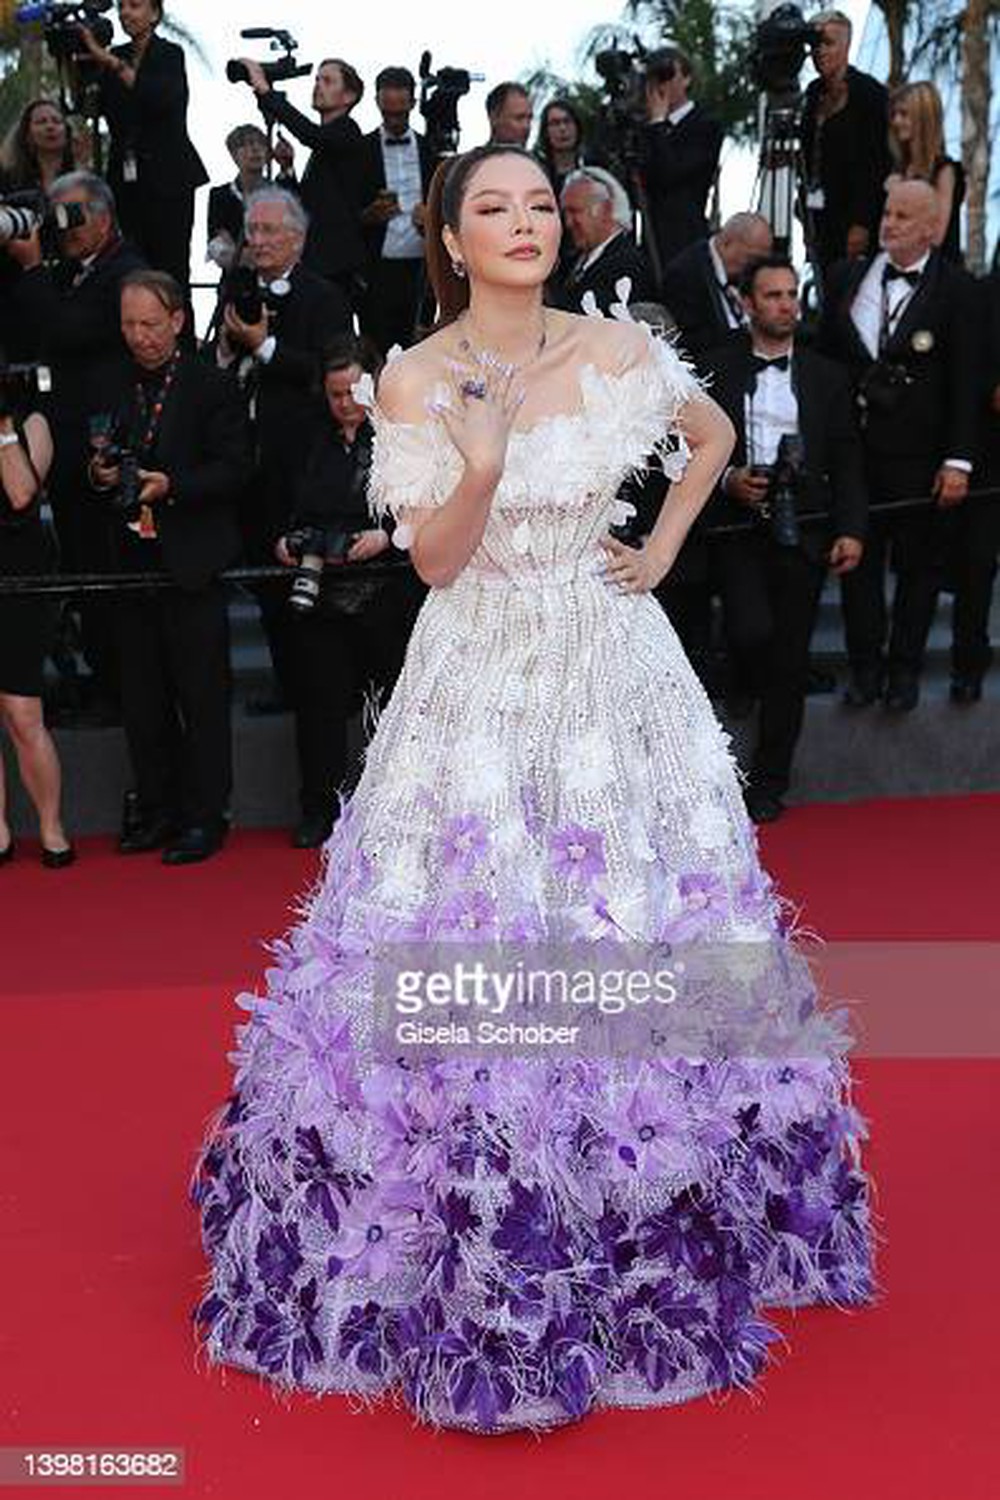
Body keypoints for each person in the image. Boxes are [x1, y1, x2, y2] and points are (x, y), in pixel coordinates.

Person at [194, 144, 875, 1433]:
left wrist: (664, 541)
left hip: (614, 668)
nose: (523, 223)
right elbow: (435, 564)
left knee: (638, 907)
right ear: (448, 237)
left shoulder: (616, 349)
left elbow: (714, 429)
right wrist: (488, 465)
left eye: (538, 207)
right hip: (478, 676)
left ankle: (658, 1194)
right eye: (490, 208)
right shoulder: (412, 374)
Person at [90, 270, 250, 863]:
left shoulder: (211, 386)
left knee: (202, 699)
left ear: (178, 321)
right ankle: (155, 810)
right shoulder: (113, 383)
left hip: (192, 563)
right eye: (129, 324)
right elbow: (98, 455)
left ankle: (206, 817)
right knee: (143, 700)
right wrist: (100, 474)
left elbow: (236, 469)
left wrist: (171, 485)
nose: (139, 337)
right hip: (130, 565)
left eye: (150, 325)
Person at [703, 257, 867, 822]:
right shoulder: (715, 370)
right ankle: (740, 673)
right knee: (751, 630)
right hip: (737, 527)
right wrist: (728, 480)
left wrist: (851, 528)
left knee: (789, 660)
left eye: (792, 294)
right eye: (772, 295)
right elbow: (686, 450)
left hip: (808, 527)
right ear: (747, 304)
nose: (785, 305)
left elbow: (847, 456)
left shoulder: (826, 376)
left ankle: (771, 781)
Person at [819, 177, 979, 711]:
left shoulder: (957, 290)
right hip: (855, 457)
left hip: (921, 459)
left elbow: (965, 382)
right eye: (888, 212)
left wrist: (958, 460)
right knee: (857, 569)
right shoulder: (845, 278)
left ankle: (904, 670)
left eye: (904, 216)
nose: (889, 223)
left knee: (919, 569)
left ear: (932, 228)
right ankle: (865, 669)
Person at [5, 171, 146, 722]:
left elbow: (66, 331)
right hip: (66, 453)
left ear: (106, 216)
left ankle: (117, 690)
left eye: (74, 214)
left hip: (101, 453)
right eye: (55, 214)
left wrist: (34, 267)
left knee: (106, 575)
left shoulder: (125, 271)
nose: (63, 227)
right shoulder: (74, 270)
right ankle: (101, 680)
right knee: (84, 573)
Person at [277, 334, 423, 848]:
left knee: (390, 706)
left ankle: (396, 809)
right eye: (335, 394)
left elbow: (429, 503)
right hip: (320, 591)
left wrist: (388, 536)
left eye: (354, 393)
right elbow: (283, 502)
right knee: (319, 707)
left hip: (387, 590)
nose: (345, 405)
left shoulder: (401, 435)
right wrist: (286, 540)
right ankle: (318, 809)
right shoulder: (306, 437)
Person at [217, 187, 351, 712]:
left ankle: (311, 692)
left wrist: (263, 346)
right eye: (253, 231)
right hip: (248, 462)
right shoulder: (237, 288)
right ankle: (282, 685)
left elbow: (330, 370)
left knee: (299, 582)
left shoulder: (324, 296)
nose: (259, 240)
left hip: (300, 464)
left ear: (298, 237)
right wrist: (230, 349)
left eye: (270, 230)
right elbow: (219, 363)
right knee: (262, 581)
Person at [78, 0, 207, 292]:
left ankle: (180, 335)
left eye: (135, 5)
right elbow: (90, 108)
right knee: (132, 267)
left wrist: (112, 63)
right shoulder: (113, 56)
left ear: (154, 14)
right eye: (121, 7)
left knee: (171, 268)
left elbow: (160, 97)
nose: (125, 13)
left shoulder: (170, 54)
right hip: (125, 180)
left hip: (169, 177)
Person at [0, 401, 74, 867]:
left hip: (18, 587)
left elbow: (22, 492)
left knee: (23, 712)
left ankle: (52, 828)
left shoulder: (33, 422)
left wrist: (4, 430)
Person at [240, 55, 367, 305]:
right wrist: (287, 170)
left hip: (337, 262)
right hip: (318, 258)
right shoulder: (325, 144)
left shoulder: (347, 131)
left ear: (349, 96)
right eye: (317, 80)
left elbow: (311, 135)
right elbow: (307, 204)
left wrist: (265, 90)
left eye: (328, 81)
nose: (318, 86)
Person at [801, 10, 891, 277]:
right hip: (819, 219)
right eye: (815, 45)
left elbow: (877, 164)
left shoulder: (870, 94)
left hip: (858, 219)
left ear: (847, 44)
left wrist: (862, 222)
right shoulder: (811, 95)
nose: (820, 51)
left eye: (828, 43)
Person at [358, 67, 436, 354]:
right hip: (377, 270)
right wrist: (370, 215)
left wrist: (431, 216)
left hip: (423, 269)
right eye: (388, 114)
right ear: (377, 103)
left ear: (413, 104)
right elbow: (344, 215)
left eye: (401, 114)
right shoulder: (361, 150)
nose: (394, 121)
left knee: (421, 351)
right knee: (378, 353)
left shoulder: (432, 149)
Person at [642, 47, 723, 275]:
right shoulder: (644, 129)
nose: (661, 84)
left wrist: (658, 123)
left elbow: (672, 173)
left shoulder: (706, 124)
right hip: (650, 239)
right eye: (655, 77)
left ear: (686, 78)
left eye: (668, 75)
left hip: (686, 237)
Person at [661, 213, 774, 356]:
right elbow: (691, 342)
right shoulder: (685, 275)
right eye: (752, 258)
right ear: (728, 244)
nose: (758, 266)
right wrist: (747, 336)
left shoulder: (748, 273)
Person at [555, 166, 656, 315]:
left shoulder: (627, 266)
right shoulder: (572, 262)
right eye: (565, 214)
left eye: (575, 211)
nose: (568, 223)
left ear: (606, 209)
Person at [888, 81, 965, 264]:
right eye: (894, 114)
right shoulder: (898, 169)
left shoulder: (945, 171)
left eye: (904, 114)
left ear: (924, 118)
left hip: (934, 278)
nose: (896, 121)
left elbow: (936, 236)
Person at [206, 124, 277, 272]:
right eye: (245, 145)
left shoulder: (280, 192)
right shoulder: (220, 195)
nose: (255, 149)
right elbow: (219, 248)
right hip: (236, 285)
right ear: (233, 154)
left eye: (261, 144)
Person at [0, 98, 76, 193]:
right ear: (27, 135)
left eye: (57, 121)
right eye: (41, 122)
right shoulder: (7, 181)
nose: (50, 126)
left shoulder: (81, 182)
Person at [534, 97, 586, 197]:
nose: (562, 128)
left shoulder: (594, 173)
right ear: (546, 132)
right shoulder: (538, 175)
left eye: (567, 121)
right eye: (555, 123)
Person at [485, 82, 534, 147]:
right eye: (519, 118)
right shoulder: (476, 157)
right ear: (494, 118)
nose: (526, 126)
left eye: (529, 119)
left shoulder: (535, 157)